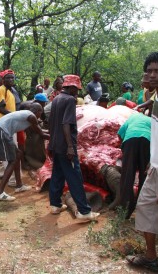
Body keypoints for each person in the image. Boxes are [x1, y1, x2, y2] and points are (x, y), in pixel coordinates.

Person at [126, 52, 158, 272]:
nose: (151, 75)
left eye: (157, 71)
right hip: (155, 168)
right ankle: (151, 257)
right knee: (145, 208)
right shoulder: (156, 98)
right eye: (149, 71)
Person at [48, 74, 100, 220]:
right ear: (70, 87)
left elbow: (51, 123)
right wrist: (70, 147)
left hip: (56, 144)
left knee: (58, 174)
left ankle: (55, 204)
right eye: (76, 89)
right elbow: (66, 124)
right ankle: (84, 211)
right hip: (65, 146)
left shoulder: (57, 98)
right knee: (74, 177)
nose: (77, 93)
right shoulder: (70, 100)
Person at [0, 103, 49, 201]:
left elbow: (40, 131)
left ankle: (19, 185)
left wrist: (51, 133)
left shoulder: (27, 115)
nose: (40, 116)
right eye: (40, 113)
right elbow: (41, 133)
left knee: (18, 154)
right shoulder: (31, 116)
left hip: (2, 131)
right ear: (38, 111)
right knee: (12, 161)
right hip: (0, 131)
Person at [117, 113, 151, 219]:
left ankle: (125, 211)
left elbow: (119, 133)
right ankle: (143, 210)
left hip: (130, 140)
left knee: (128, 175)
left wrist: (123, 147)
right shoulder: (152, 120)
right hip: (147, 141)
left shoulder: (132, 117)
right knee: (144, 175)